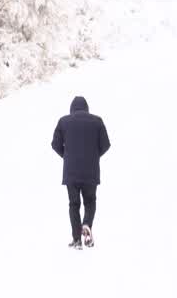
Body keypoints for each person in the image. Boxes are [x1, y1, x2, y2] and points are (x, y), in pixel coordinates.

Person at [51, 95, 110, 249]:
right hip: (91, 171)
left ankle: (77, 239)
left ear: (72, 109)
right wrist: (93, 156)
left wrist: (67, 156)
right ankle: (87, 224)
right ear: (87, 108)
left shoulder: (63, 121)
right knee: (90, 201)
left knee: (74, 204)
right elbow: (105, 145)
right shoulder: (97, 121)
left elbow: (55, 144)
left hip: (71, 172)